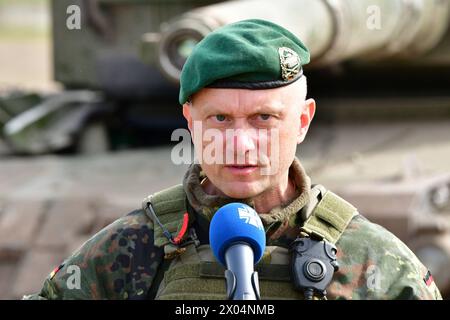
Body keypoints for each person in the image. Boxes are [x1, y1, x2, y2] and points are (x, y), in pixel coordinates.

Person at [24, 19, 441, 300]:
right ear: (190, 121)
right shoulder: (131, 250)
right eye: (220, 118)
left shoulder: (373, 260)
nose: (240, 145)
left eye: (264, 119)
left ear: (302, 121)